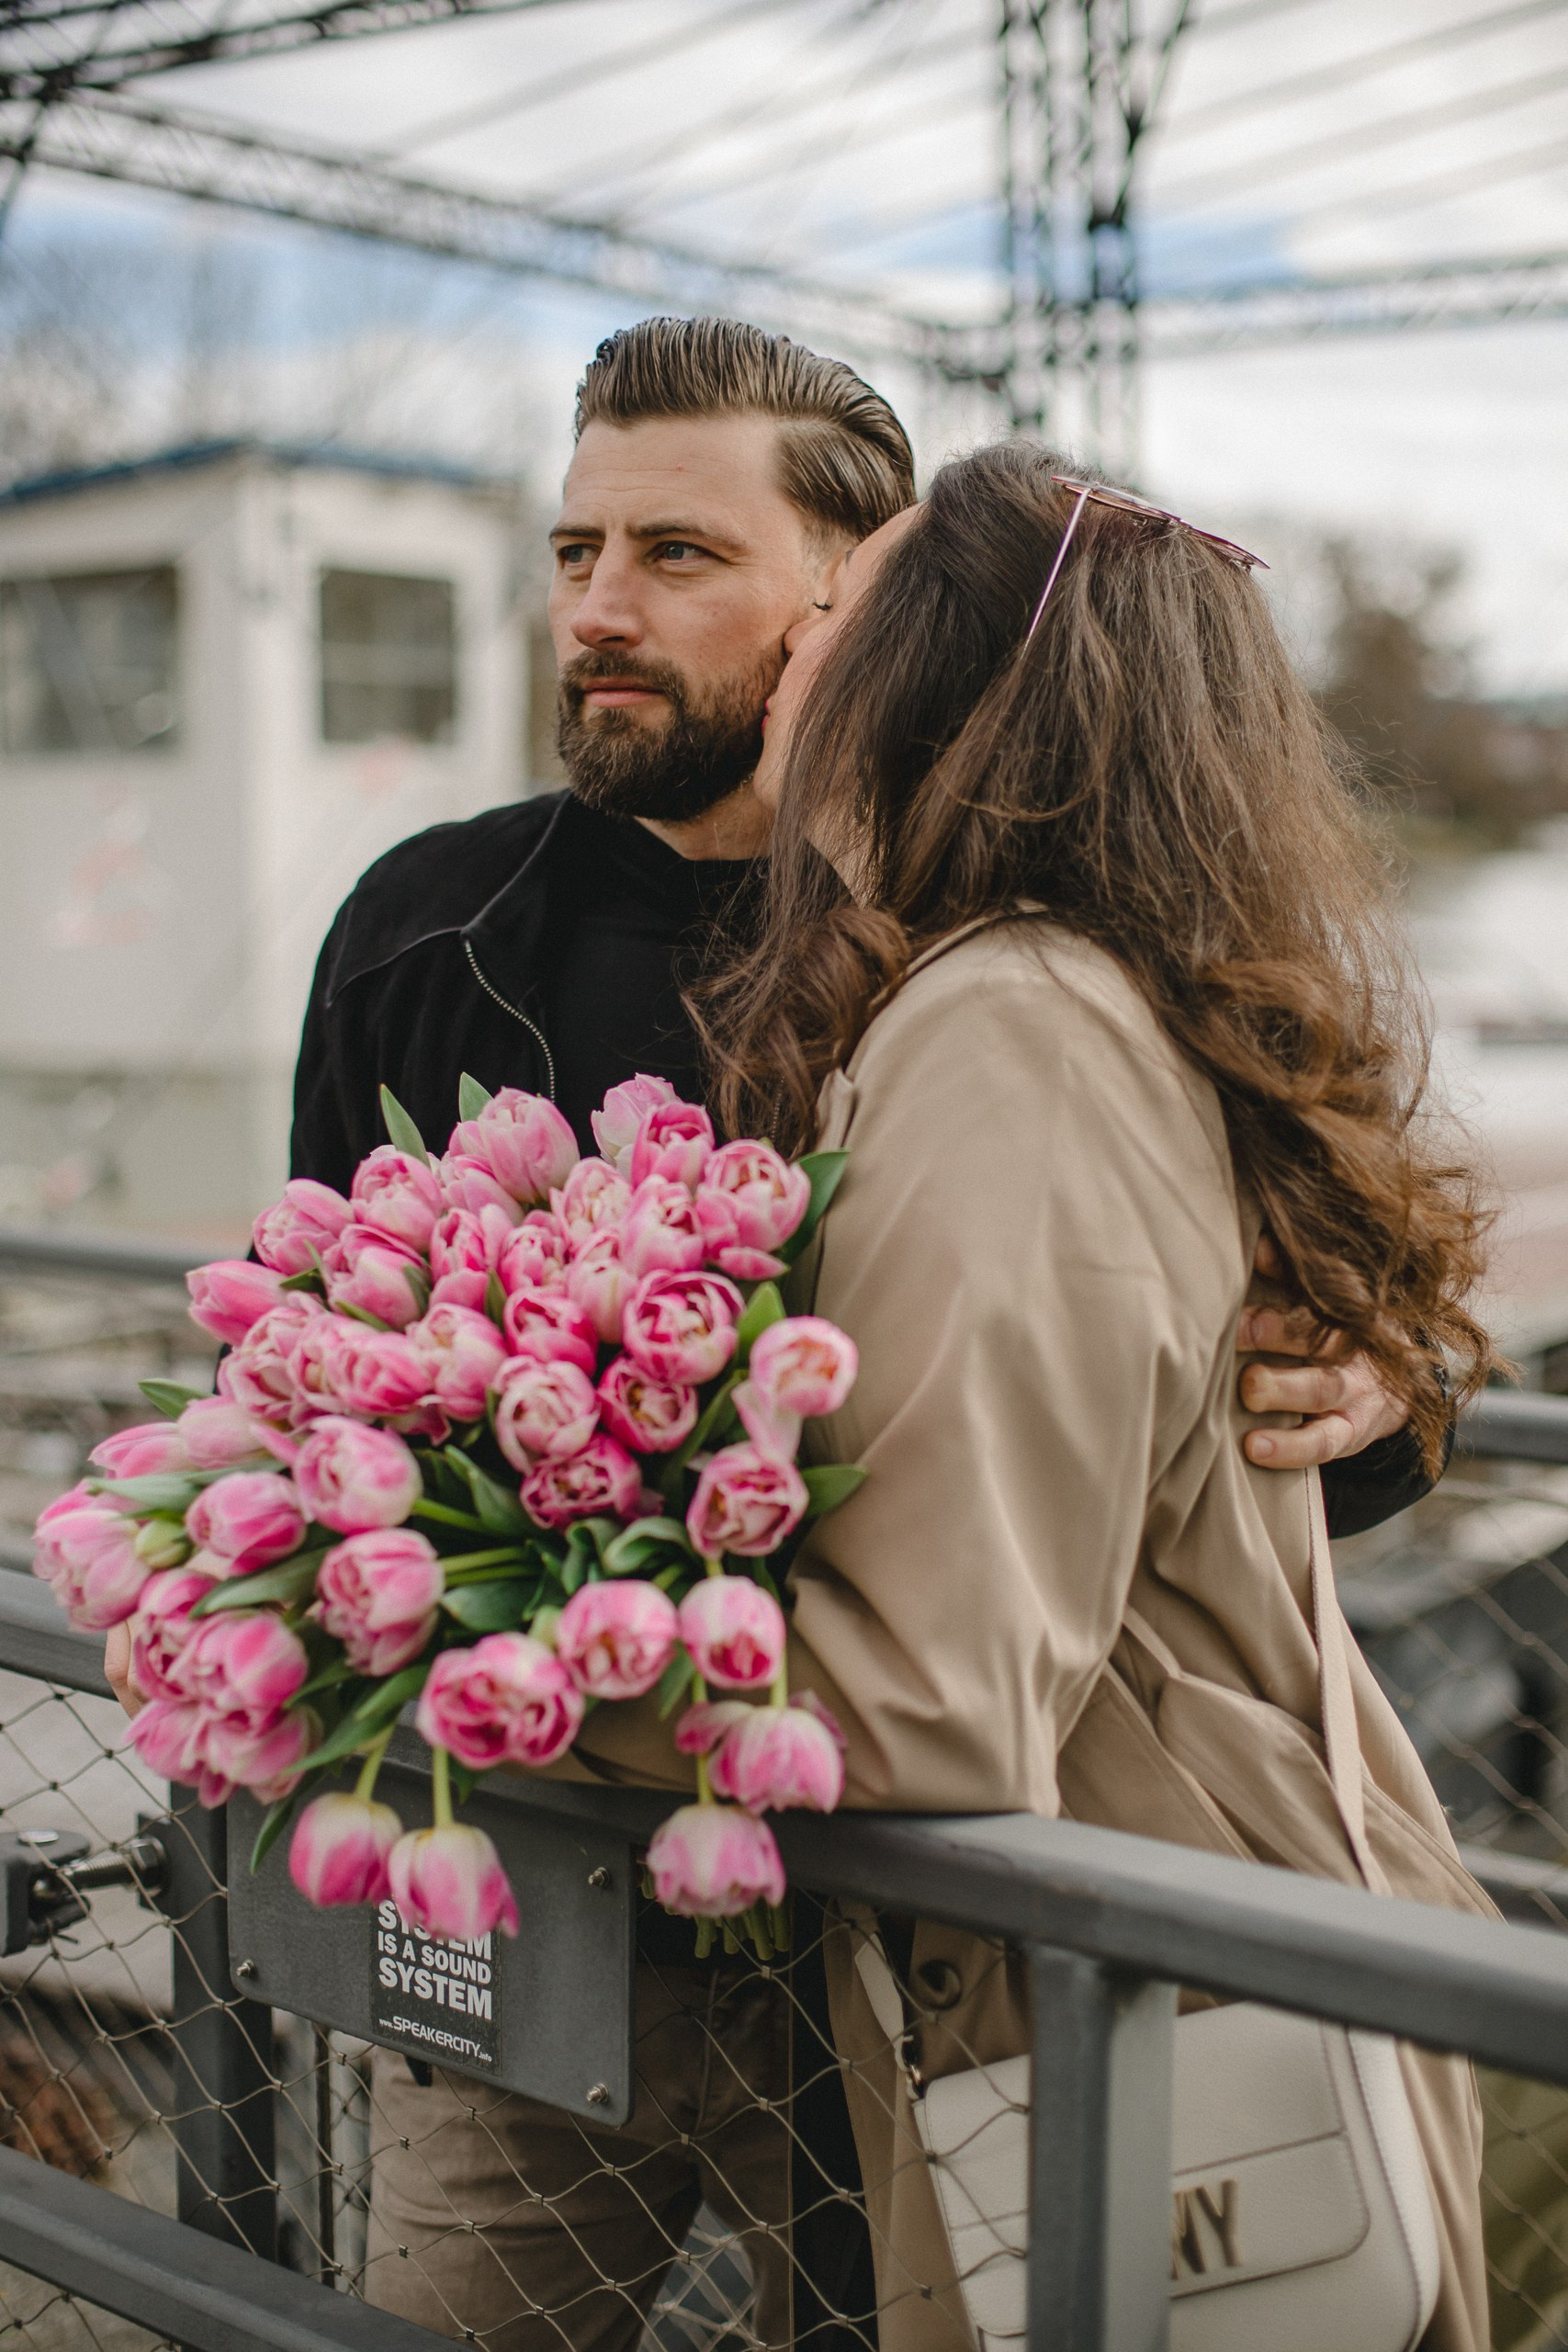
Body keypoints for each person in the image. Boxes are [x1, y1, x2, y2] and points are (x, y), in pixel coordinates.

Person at [105, 321, 1448, 2347]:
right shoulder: (427, 926)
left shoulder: (975, 961)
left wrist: (1378, 1384)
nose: (599, 608)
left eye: (674, 552)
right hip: (542, 1894)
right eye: (571, 552)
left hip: (886, 1931)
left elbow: (1142, 1417)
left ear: (854, 607)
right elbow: (305, 1369)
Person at [673, 442, 1495, 2349]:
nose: (794, 654)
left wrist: (476, 1677)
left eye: (840, 614)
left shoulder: (1014, 1022)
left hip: (1140, 2011)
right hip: (1198, 1951)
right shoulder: (1083, 994)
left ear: (935, 681)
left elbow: (931, 1701)